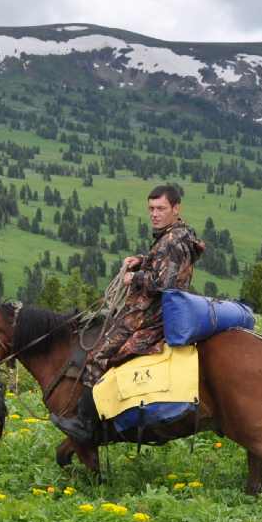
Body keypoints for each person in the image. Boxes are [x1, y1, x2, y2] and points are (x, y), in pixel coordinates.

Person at [64, 183, 206, 439]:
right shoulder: (178, 234)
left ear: (176, 208)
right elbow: (165, 265)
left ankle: (87, 426)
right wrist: (143, 260)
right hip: (156, 310)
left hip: (151, 315)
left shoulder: (172, 241)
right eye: (151, 208)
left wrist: (135, 277)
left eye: (161, 208)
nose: (154, 214)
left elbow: (165, 283)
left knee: (97, 355)